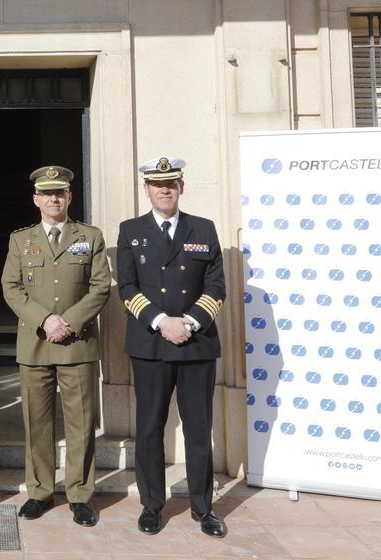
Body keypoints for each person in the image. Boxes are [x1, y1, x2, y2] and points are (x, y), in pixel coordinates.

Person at [116, 156, 228, 539]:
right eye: (157, 184)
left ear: (181, 187)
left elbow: (216, 287)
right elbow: (126, 287)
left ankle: (203, 507)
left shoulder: (204, 228)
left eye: (171, 183)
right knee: (149, 429)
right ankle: (152, 505)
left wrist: (189, 322)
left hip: (196, 344)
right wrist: (163, 322)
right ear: (147, 189)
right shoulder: (130, 230)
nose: (164, 189)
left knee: (199, 430)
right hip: (151, 344)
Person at [1, 165, 111, 527]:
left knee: (81, 424)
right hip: (35, 345)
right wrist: (45, 320)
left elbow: (100, 287)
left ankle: (80, 494)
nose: (53, 198)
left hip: (77, 345)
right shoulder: (21, 239)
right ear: (35, 199)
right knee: (38, 423)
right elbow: (12, 287)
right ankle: (40, 491)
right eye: (46, 193)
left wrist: (70, 322)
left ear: (69, 197)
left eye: (60, 192)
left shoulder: (90, 236)